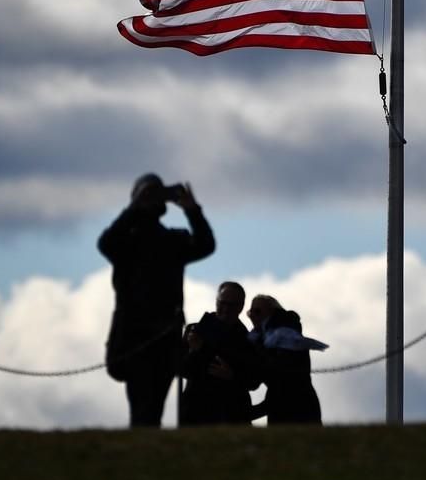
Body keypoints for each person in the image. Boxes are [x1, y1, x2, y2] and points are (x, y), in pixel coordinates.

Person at [98, 173, 216, 427]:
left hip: (164, 335)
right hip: (136, 336)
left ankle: (147, 449)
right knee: (143, 407)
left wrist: (192, 210)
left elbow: (206, 245)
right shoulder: (126, 243)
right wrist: (134, 208)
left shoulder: (172, 240)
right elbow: (105, 243)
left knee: (151, 407)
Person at [179, 281, 262, 426]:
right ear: (216, 301)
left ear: (241, 306)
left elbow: (254, 380)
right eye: (222, 303)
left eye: (232, 305)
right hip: (195, 412)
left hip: (232, 414)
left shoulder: (248, 341)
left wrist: (232, 376)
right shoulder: (194, 331)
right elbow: (182, 368)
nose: (225, 309)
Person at [246, 293, 326, 425]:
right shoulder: (261, 339)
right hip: (285, 408)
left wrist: (247, 413)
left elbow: (282, 382)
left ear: (272, 312)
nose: (253, 316)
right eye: (250, 312)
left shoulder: (286, 337)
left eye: (257, 311)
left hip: (299, 409)